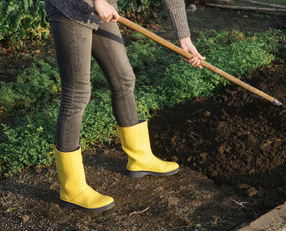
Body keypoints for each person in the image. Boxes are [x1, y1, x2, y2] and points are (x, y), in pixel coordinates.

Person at [44, 0, 205, 212]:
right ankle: (71, 188)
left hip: (101, 6)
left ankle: (140, 158)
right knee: (77, 93)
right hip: (69, 6)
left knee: (123, 79)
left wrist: (184, 39)